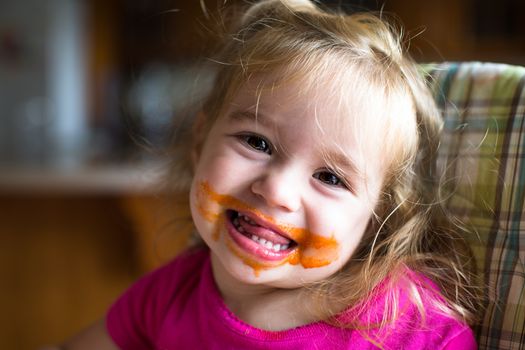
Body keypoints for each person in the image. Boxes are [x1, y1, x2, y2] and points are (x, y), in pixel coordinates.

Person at [58, 0, 481, 348]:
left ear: (376, 216)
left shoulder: (414, 332)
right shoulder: (169, 295)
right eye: (256, 142)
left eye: (331, 178)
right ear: (200, 141)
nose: (277, 189)